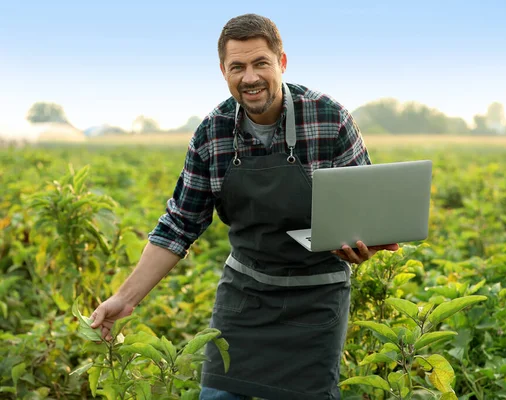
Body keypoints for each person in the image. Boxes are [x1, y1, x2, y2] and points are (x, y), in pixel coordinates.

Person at [90, 13, 399, 400]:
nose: (249, 77)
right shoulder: (212, 132)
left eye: (260, 64)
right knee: (218, 396)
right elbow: (180, 224)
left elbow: (365, 210)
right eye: (237, 67)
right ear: (223, 71)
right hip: (245, 299)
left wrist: (361, 242)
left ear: (281, 63)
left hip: (316, 301)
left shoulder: (328, 117)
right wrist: (125, 297)